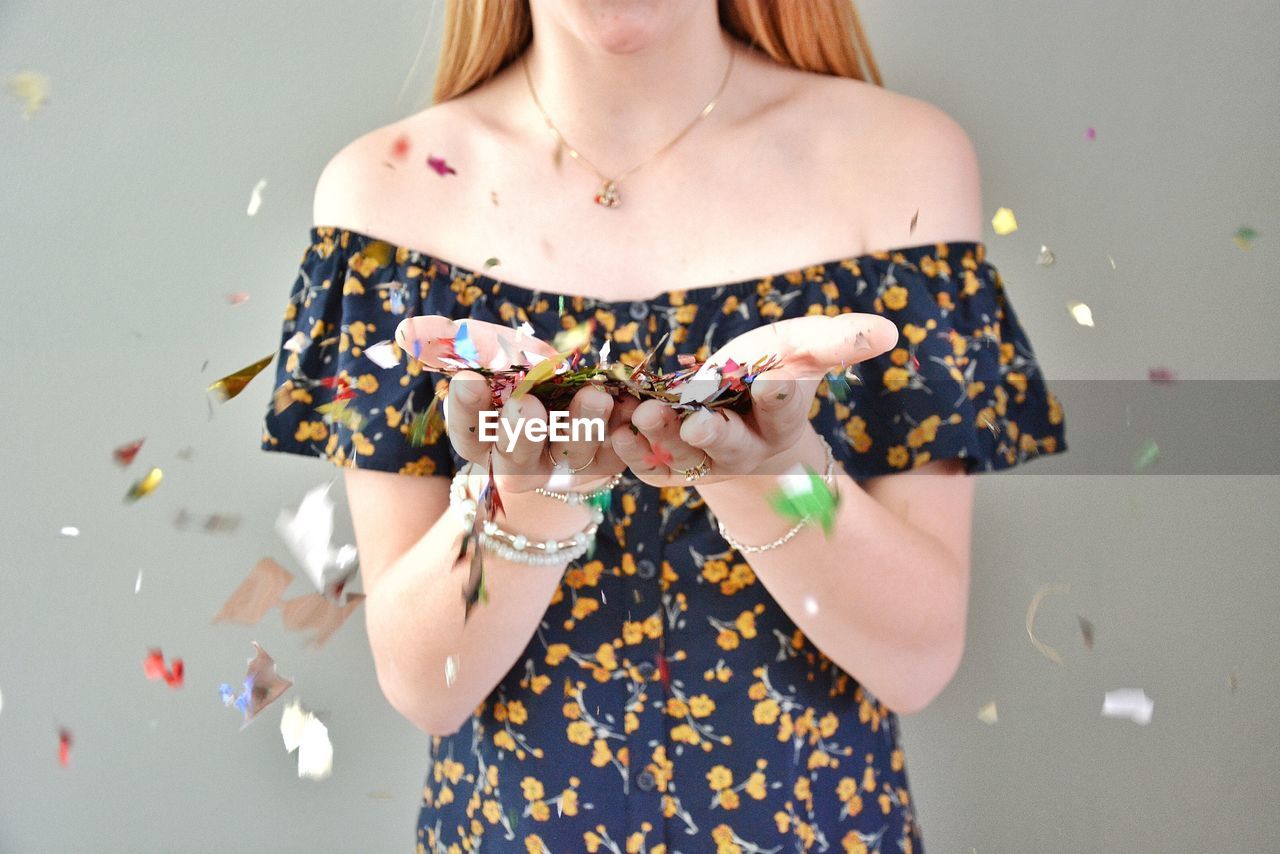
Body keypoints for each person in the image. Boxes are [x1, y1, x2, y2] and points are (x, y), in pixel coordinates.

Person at [260, 1, 1068, 851]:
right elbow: (427, 684)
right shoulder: (385, 193)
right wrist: (532, 496)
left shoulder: (901, 161)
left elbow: (918, 660)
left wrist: (774, 479)